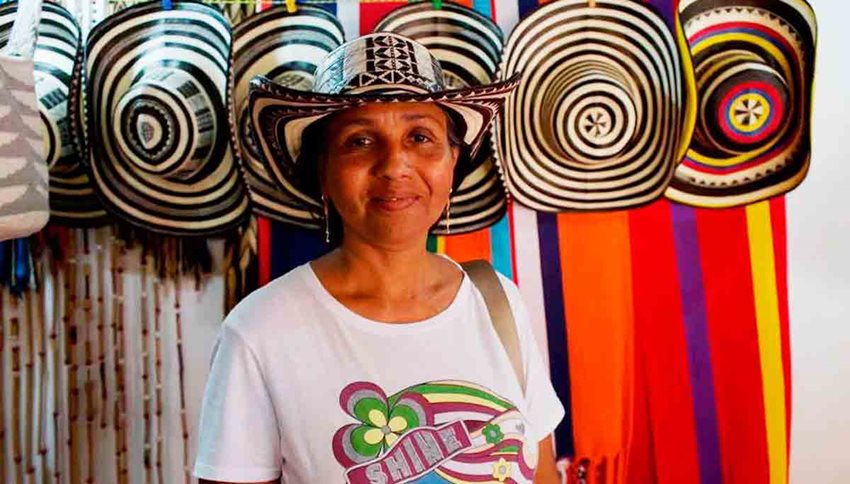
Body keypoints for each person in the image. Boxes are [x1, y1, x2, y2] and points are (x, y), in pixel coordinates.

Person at [194, 33, 565, 484]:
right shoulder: (260, 332)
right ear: (322, 171)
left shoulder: (497, 303)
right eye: (360, 141)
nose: (395, 165)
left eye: (420, 137)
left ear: (452, 162)